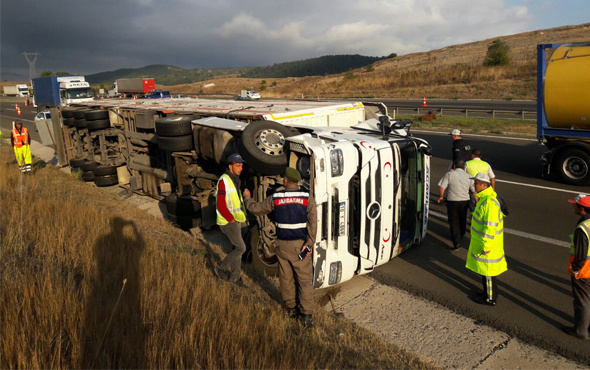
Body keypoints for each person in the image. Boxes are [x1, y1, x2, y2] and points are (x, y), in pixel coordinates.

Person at [243, 167, 317, 327]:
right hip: (300, 246)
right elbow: (313, 222)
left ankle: (291, 308)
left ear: (285, 181)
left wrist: (248, 198)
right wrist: (309, 243)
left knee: (286, 278)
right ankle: (306, 316)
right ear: (297, 182)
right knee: (304, 280)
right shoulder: (307, 197)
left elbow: (256, 209)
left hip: (282, 246)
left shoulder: (276, 197)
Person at [465, 172, 507, 306]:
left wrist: (486, 248)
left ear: (484, 185)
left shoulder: (489, 202)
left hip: (488, 245)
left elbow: (490, 228)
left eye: (476, 183)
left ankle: (490, 298)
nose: (474, 185)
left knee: (488, 272)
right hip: (484, 243)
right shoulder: (485, 198)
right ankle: (488, 292)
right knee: (485, 271)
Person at [214, 153, 248, 285]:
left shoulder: (235, 180)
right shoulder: (224, 180)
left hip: (236, 219)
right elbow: (220, 204)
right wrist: (231, 219)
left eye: (241, 166)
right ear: (230, 166)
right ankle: (220, 268)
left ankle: (235, 277)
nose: (241, 168)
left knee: (237, 248)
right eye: (238, 166)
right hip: (228, 221)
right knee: (241, 248)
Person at [563, 194, 590, 341]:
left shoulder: (582, 228)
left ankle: (580, 331)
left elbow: (580, 255)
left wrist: (575, 271)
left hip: (584, 272)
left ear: (583, 209)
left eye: (575, 204)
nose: (573, 206)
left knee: (582, 301)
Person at [437, 160, 471, 251]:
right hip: (465, 201)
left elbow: (442, 187)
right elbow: (474, 191)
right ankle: (461, 234)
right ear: (464, 167)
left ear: (454, 166)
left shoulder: (449, 175)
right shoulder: (468, 176)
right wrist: (476, 201)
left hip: (452, 201)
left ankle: (456, 243)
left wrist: (441, 197)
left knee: (453, 221)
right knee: (462, 219)